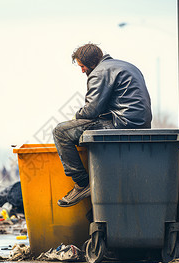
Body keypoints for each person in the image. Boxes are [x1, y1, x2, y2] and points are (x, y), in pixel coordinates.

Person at [53, 43, 152, 207]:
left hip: (121, 124)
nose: (82, 70)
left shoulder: (99, 72)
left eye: (82, 66)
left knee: (61, 132)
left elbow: (91, 109)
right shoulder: (126, 66)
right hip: (139, 123)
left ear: (91, 63)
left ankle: (82, 184)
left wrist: (76, 117)